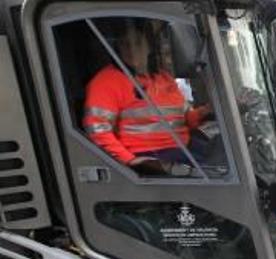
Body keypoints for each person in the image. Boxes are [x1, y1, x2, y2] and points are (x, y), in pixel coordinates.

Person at [82, 20, 210, 176]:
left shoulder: (163, 78)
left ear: (149, 45)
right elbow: (98, 131)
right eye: (124, 44)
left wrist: (206, 111)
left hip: (183, 149)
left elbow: (185, 119)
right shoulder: (106, 82)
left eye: (137, 42)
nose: (131, 49)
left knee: (223, 153)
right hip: (151, 157)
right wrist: (131, 161)